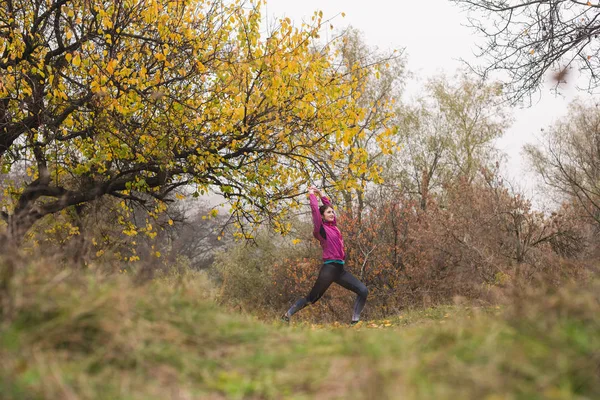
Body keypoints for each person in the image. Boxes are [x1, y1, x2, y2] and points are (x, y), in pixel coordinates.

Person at [282, 186, 368, 325]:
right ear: (322, 216)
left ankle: (355, 322)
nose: (332, 213)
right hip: (329, 270)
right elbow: (315, 211)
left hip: (340, 270)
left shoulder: (334, 227)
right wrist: (312, 195)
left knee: (363, 290)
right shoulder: (320, 229)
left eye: (332, 212)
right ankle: (287, 315)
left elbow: (329, 208)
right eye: (329, 212)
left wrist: (322, 194)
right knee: (312, 298)